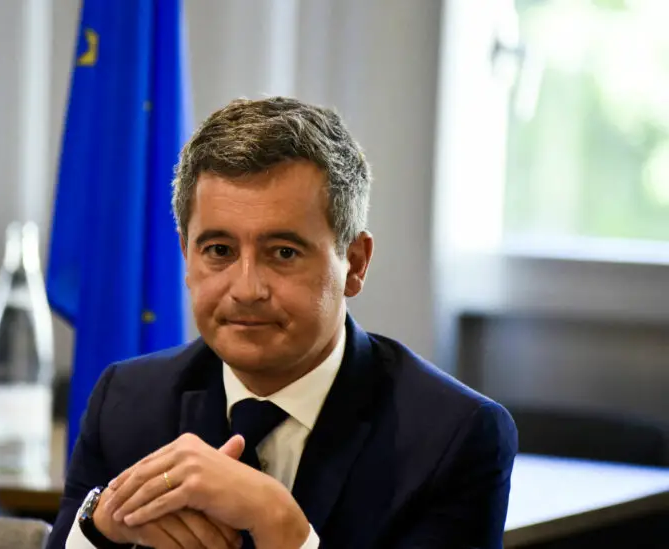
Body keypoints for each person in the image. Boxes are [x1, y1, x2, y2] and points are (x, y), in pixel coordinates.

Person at [48, 97, 518, 549]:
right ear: (186, 257)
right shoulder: (127, 402)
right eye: (219, 251)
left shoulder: (453, 436)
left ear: (354, 263)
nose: (246, 288)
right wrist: (101, 531)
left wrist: (279, 523)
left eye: (284, 253)